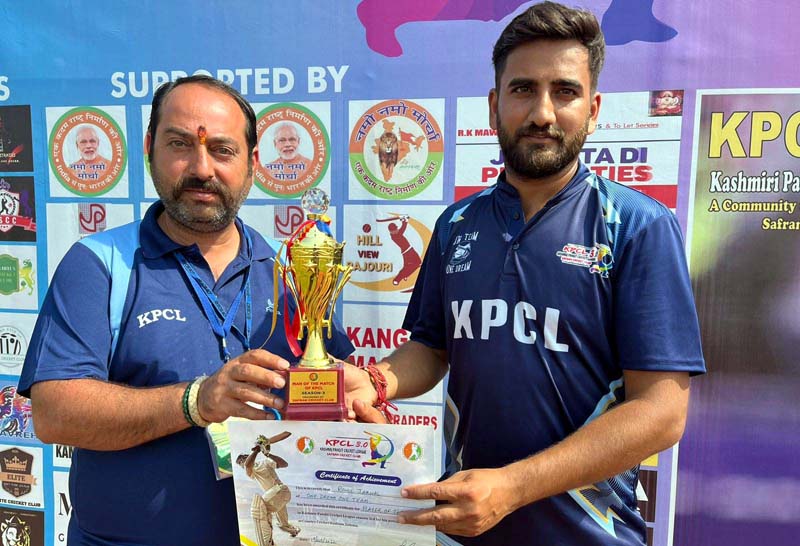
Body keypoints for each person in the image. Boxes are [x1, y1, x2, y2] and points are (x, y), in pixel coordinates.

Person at [347, 2, 705, 545]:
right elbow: (431, 349)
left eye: (565, 92)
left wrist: (512, 488)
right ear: (494, 106)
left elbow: (661, 412)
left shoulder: (637, 225)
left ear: (593, 109)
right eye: (523, 90)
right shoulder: (455, 224)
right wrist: (377, 380)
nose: (542, 113)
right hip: (464, 531)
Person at [18, 75, 353, 545]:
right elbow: (54, 412)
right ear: (150, 149)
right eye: (180, 144)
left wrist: (361, 409)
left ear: (253, 163)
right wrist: (195, 401)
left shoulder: (293, 272)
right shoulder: (99, 263)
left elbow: (338, 394)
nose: (201, 168)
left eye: (222, 150)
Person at [236, 433, 300, 546]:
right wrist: (257, 450)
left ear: (247, 457)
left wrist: (267, 454)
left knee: (258, 508)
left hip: (281, 490)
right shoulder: (251, 471)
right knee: (283, 524)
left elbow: (284, 464)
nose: (241, 464)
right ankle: (294, 531)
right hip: (274, 497)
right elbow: (247, 465)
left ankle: (267, 544)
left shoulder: (264, 462)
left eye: (242, 460)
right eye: (240, 463)